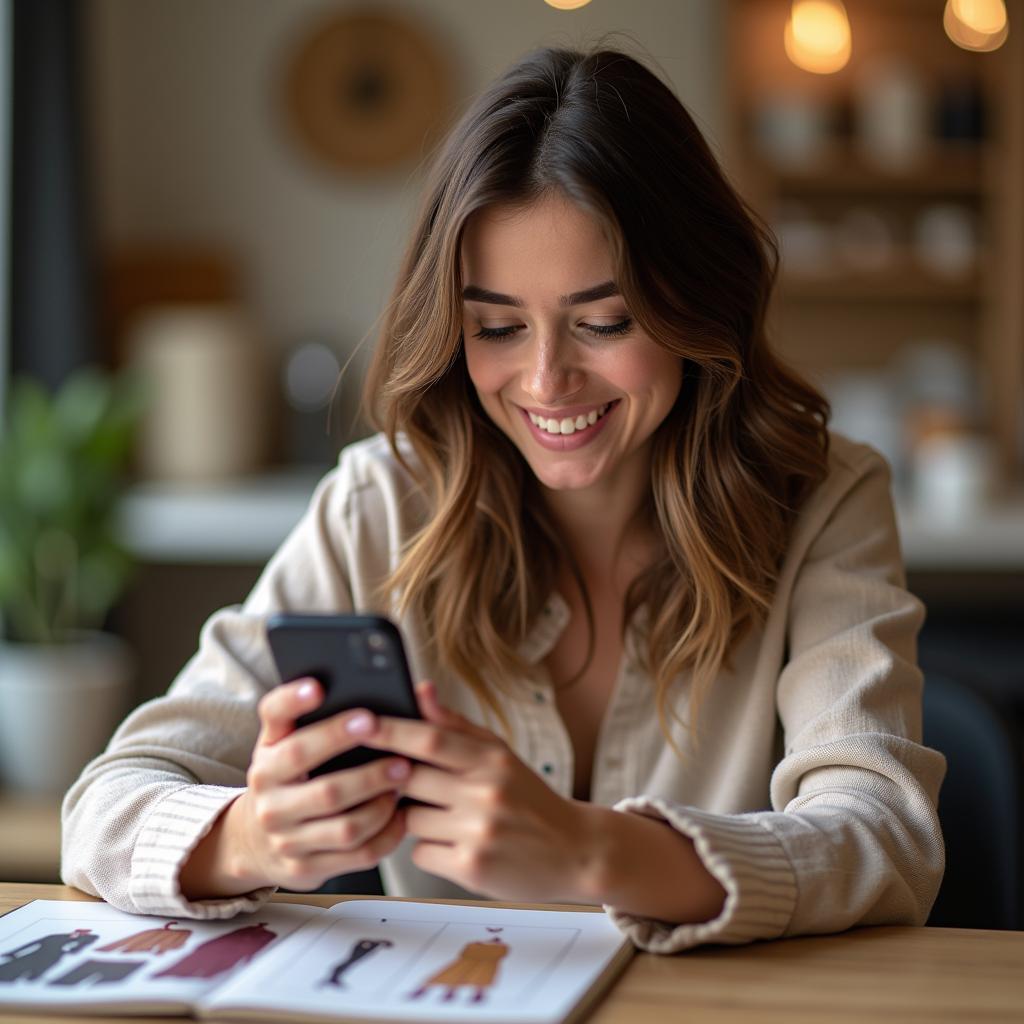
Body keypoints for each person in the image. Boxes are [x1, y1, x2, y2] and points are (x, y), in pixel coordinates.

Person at [62, 45, 945, 954]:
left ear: (699, 306)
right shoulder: (385, 504)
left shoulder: (827, 498)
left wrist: (592, 852)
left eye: (604, 323)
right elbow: (106, 805)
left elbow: (888, 839)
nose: (545, 380)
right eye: (496, 327)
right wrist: (252, 834)